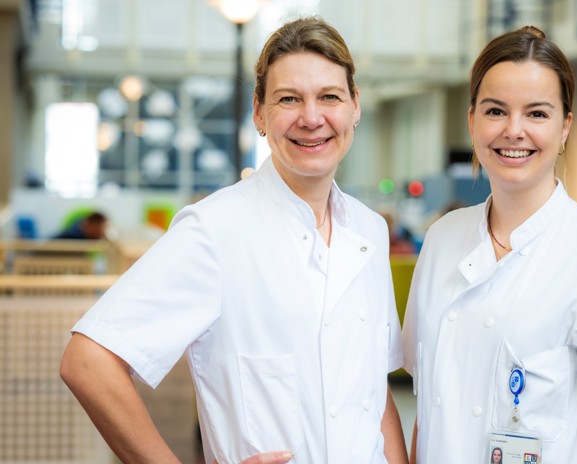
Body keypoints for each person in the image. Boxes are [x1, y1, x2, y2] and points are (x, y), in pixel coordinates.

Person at [60, 17, 407, 464]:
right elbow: (88, 362)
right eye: (289, 99)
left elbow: (374, 392)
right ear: (259, 112)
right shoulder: (214, 229)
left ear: (355, 106)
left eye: (330, 97)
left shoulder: (369, 230)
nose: (311, 118)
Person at [402, 26, 577, 463]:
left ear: (565, 127)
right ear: (472, 121)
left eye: (537, 114)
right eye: (495, 111)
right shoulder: (442, 239)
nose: (514, 130)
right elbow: (427, 414)